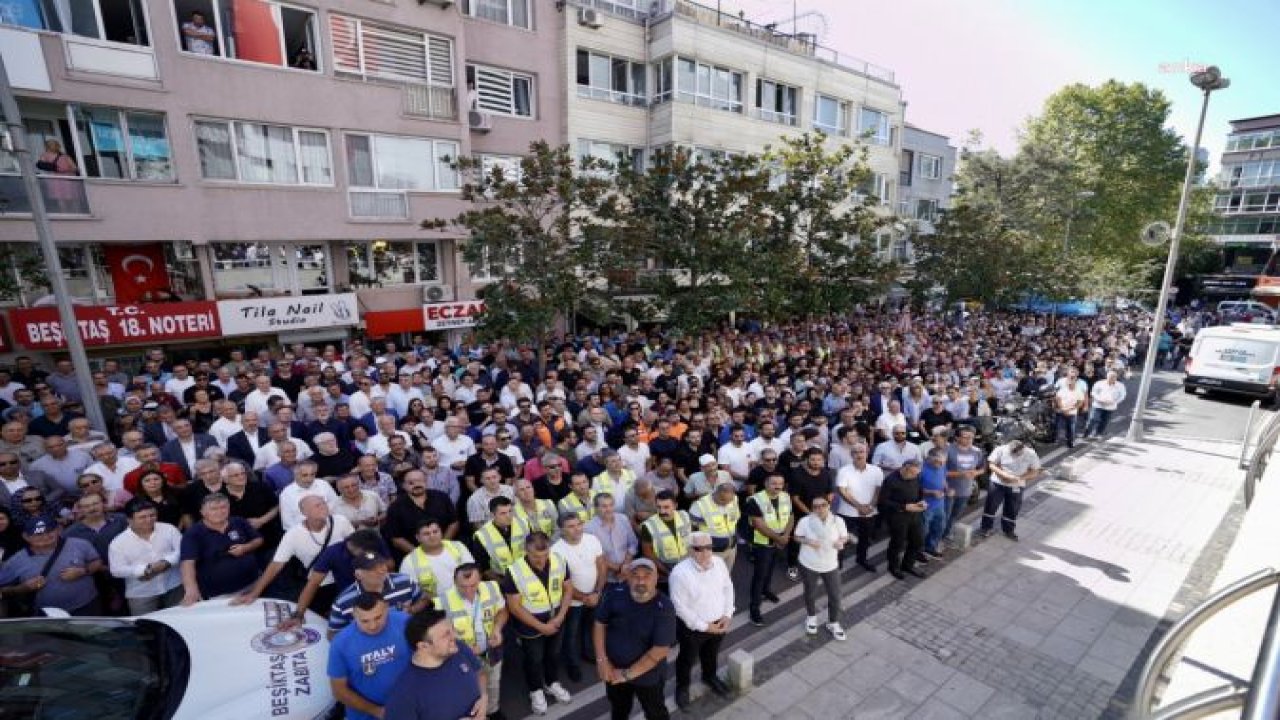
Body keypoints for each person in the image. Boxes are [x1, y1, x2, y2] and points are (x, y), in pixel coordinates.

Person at [593, 558, 677, 720]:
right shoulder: (614, 594)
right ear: (627, 577)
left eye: (647, 575)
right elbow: (599, 623)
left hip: (647, 676)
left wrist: (625, 675)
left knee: (655, 712)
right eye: (635, 575)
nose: (640, 580)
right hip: (613, 670)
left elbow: (659, 651)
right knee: (619, 709)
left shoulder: (664, 608)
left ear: (656, 578)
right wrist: (602, 660)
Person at [502, 531, 574, 716]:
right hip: (530, 625)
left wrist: (560, 617)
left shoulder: (559, 560)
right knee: (534, 659)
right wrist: (541, 626)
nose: (541, 560)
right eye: (536, 556)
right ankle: (536, 690)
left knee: (554, 654)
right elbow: (514, 607)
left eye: (545, 555)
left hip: (557, 618)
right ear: (526, 550)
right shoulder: (514, 570)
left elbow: (568, 590)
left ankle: (551, 683)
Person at [234, 495, 353, 605]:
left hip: (348, 578)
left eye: (324, 503)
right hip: (319, 584)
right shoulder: (293, 534)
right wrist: (255, 592)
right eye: (317, 505)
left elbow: (358, 547)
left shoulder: (341, 521)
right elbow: (276, 565)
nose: (323, 507)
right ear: (304, 512)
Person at [384, 608, 488, 720]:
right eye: (446, 635)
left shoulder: (459, 648)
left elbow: (480, 673)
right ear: (423, 646)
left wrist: (483, 696)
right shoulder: (404, 694)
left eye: (452, 630)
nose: (454, 636)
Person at [668, 532, 733, 709]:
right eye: (698, 548)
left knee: (711, 654)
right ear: (690, 550)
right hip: (693, 629)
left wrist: (728, 614)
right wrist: (705, 626)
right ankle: (682, 688)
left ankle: (709, 676)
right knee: (687, 659)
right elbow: (680, 607)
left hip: (719, 622)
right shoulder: (679, 573)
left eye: (708, 547)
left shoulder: (719, 563)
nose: (704, 552)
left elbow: (728, 588)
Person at [328, 593, 412, 720]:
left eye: (378, 617)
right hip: (365, 716)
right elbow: (339, 690)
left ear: (387, 608)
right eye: (364, 621)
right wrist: (377, 711)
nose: (373, 626)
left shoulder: (405, 622)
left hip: (409, 708)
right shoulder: (341, 643)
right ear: (354, 616)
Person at [440, 563, 508, 720]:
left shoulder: (491, 588)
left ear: (480, 579)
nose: (469, 591)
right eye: (463, 587)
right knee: (467, 687)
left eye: (473, 585)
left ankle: (492, 710)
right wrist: (462, 648)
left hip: (491, 650)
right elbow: (440, 633)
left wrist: (497, 629)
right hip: (462, 656)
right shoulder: (443, 600)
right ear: (454, 582)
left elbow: (502, 611)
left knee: (493, 682)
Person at [0, 516, 102, 615]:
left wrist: (84, 571)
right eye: (38, 534)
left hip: (87, 607)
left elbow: (97, 561)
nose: (45, 537)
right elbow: (2, 591)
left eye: (49, 531)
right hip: (45, 614)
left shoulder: (80, 544)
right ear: (26, 536)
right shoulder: (16, 560)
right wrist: (22, 588)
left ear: (59, 530)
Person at [550, 511, 605, 683]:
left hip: (595, 596)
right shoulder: (556, 551)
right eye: (571, 526)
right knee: (571, 634)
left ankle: (588, 653)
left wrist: (597, 592)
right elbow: (560, 582)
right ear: (561, 529)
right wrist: (584, 598)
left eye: (578, 524)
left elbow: (602, 566)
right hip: (572, 602)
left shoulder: (592, 540)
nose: (577, 529)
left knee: (591, 627)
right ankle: (573, 665)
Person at [179, 493, 263, 605]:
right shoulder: (193, 533)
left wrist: (245, 548)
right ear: (203, 512)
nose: (220, 511)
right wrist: (191, 590)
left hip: (254, 585)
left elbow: (258, 539)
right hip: (219, 595)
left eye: (223, 507)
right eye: (214, 509)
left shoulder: (239, 522)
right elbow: (188, 563)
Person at [107, 498, 184, 614]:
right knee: (146, 627)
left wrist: (166, 563)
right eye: (142, 517)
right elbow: (116, 570)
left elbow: (183, 550)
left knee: (179, 619)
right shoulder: (118, 543)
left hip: (174, 585)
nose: (149, 520)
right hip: (142, 593)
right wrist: (145, 570)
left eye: (152, 515)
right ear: (129, 520)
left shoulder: (169, 529)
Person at [794, 495, 848, 639]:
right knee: (810, 592)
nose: (820, 509)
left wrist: (841, 542)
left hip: (830, 565)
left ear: (829, 505)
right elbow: (796, 537)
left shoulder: (838, 521)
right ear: (812, 509)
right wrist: (807, 541)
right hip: (808, 563)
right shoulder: (805, 521)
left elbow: (844, 536)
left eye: (823, 505)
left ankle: (833, 622)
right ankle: (811, 617)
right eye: (816, 506)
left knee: (835, 595)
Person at [745, 472, 792, 626]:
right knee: (760, 575)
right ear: (766, 484)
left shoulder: (785, 496)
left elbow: (790, 517)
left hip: (779, 541)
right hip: (763, 544)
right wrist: (780, 539)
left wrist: (786, 535)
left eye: (780, 483)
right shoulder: (755, 500)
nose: (778, 486)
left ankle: (766, 591)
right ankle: (754, 608)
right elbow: (759, 525)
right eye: (774, 483)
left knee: (770, 569)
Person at [979, 439, 1041, 541]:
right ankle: (985, 528)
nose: (1015, 456)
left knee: (1013, 508)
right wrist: (1003, 475)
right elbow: (991, 464)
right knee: (991, 506)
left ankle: (1009, 530)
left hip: (1017, 484)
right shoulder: (1000, 449)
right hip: (997, 483)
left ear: (1023, 449)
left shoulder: (1031, 454)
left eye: (1018, 454)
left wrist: (1019, 478)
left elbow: (1035, 471)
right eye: (1012, 453)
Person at [833, 442, 882, 572]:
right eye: (856, 452)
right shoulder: (844, 471)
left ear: (867, 453)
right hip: (847, 512)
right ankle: (837, 562)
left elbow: (878, 490)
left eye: (862, 451)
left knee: (865, 539)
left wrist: (870, 506)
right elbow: (842, 491)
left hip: (869, 512)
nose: (859, 454)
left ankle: (862, 559)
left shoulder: (876, 470)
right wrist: (859, 507)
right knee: (841, 538)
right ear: (851, 454)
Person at [399, 517, 473, 599]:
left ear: (441, 532)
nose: (432, 536)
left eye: (435, 532)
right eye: (426, 534)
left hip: (467, 596)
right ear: (418, 538)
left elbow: (473, 573)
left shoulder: (458, 546)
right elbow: (411, 592)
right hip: (434, 606)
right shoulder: (409, 561)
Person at [879, 458, 927, 580]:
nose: (914, 476)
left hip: (914, 514)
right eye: (912, 473)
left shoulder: (915, 476)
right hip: (897, 516)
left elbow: (919, 491)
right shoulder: (890, 480)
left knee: (917, 541)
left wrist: (921, 501)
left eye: (916, 474)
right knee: (897, 543)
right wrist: (904, 507)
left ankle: (908, 565)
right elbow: (883, 502)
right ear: (904, 468)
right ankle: (893, 567)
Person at [944, 426, 986, 542]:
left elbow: (982, 468)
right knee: (944, 515)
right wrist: (960, 474)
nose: (969, 440)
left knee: (954, 515)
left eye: (971, 437)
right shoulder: (948, 450)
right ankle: (937, 537)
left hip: (965, 491)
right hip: (948, 489)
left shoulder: (977, 451)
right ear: (957, 438)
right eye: (965, 437)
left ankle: (947, 533)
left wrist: (976, 472)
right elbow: (941, 472)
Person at [689, 481, 740, 570]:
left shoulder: (734, 500)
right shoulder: (699, 506)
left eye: (729, 501)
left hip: (731, 548)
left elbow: (734, 520)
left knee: (725, 576)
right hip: (711, 552)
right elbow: (692, 530)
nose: (726, 503)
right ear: (715, 493)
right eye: (722, 500)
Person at [1083, 370, 1127, 439]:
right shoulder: (1099, 383)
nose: (1112, 378)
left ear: (1116, 377)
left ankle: (1098, 433)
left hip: (1110, 407)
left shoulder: (1120, 386)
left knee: (1104, 421)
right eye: (1110, 377)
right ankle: (1087, 432)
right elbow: (1093, 392)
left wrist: (1114, 401)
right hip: (1098, 405)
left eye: (1114, 377)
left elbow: (1122, 396)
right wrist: (1100, 399)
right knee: (1093, 419)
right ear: (1107, 376)